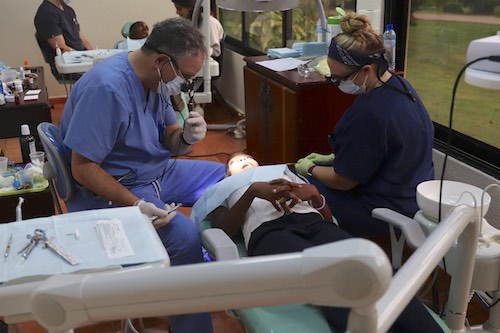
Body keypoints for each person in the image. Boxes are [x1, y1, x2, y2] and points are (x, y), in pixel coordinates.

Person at [58, 17, 226, 333]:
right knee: (183, 237)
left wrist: (187, 138)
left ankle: (204, 272)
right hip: (120, 186)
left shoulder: (155, 79)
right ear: (162, 61)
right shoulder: (107, 89)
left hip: (158, 170)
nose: (186, 86)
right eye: (186, 77)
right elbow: (82, 169)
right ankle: (191, 323)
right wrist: (136, 205)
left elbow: (169, 137)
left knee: (227, 179)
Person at [191, 153, 444, 333]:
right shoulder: (224, 189)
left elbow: (328, 218)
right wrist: (252, 191)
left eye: (248, 159)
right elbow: (224, 229)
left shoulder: (283, 173)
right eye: (236, 162)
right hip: (269, 234)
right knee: (325, 278)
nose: (245, 161)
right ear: (227, 174)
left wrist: (315, 196)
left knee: (373, 270)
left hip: (316, 225)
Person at [295, 12, 434, 238]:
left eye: (339, 78)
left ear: (366, 70)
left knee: (303, 189)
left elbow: (345, 182)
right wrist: (333, 159)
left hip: (384, 209)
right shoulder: (399, 85)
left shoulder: (372, 113)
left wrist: (310, 169)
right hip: (411, 194)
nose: (336, 83)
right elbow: (381, 150)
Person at [34, 0, 93, 81]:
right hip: (67, 63)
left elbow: (83, 40)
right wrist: (87, 60)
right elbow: (62, 48)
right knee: (104, 76)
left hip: (82, 58)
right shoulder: (46, 14)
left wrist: (95, 56)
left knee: (107, 68)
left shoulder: (69, 10)